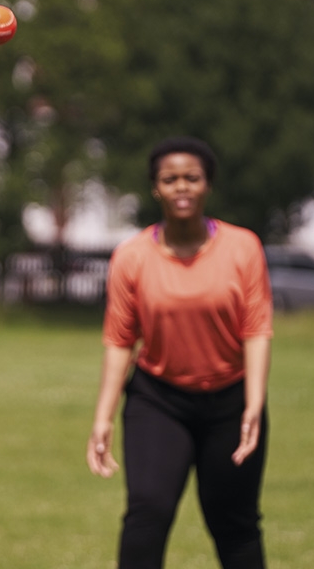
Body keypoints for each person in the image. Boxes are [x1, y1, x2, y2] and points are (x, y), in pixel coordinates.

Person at [86, 137, 273, 568]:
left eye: (192, 178)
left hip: (231, 400)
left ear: (207, 185)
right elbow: (119, 339)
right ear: (156, 188)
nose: (182, 187)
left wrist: (254, 404)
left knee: (235, 522)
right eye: (170, 180)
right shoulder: (132, 256)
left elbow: (257, 328)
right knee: (147, 514)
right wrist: (102, 417)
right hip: (159, 400)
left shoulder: (243, 248)